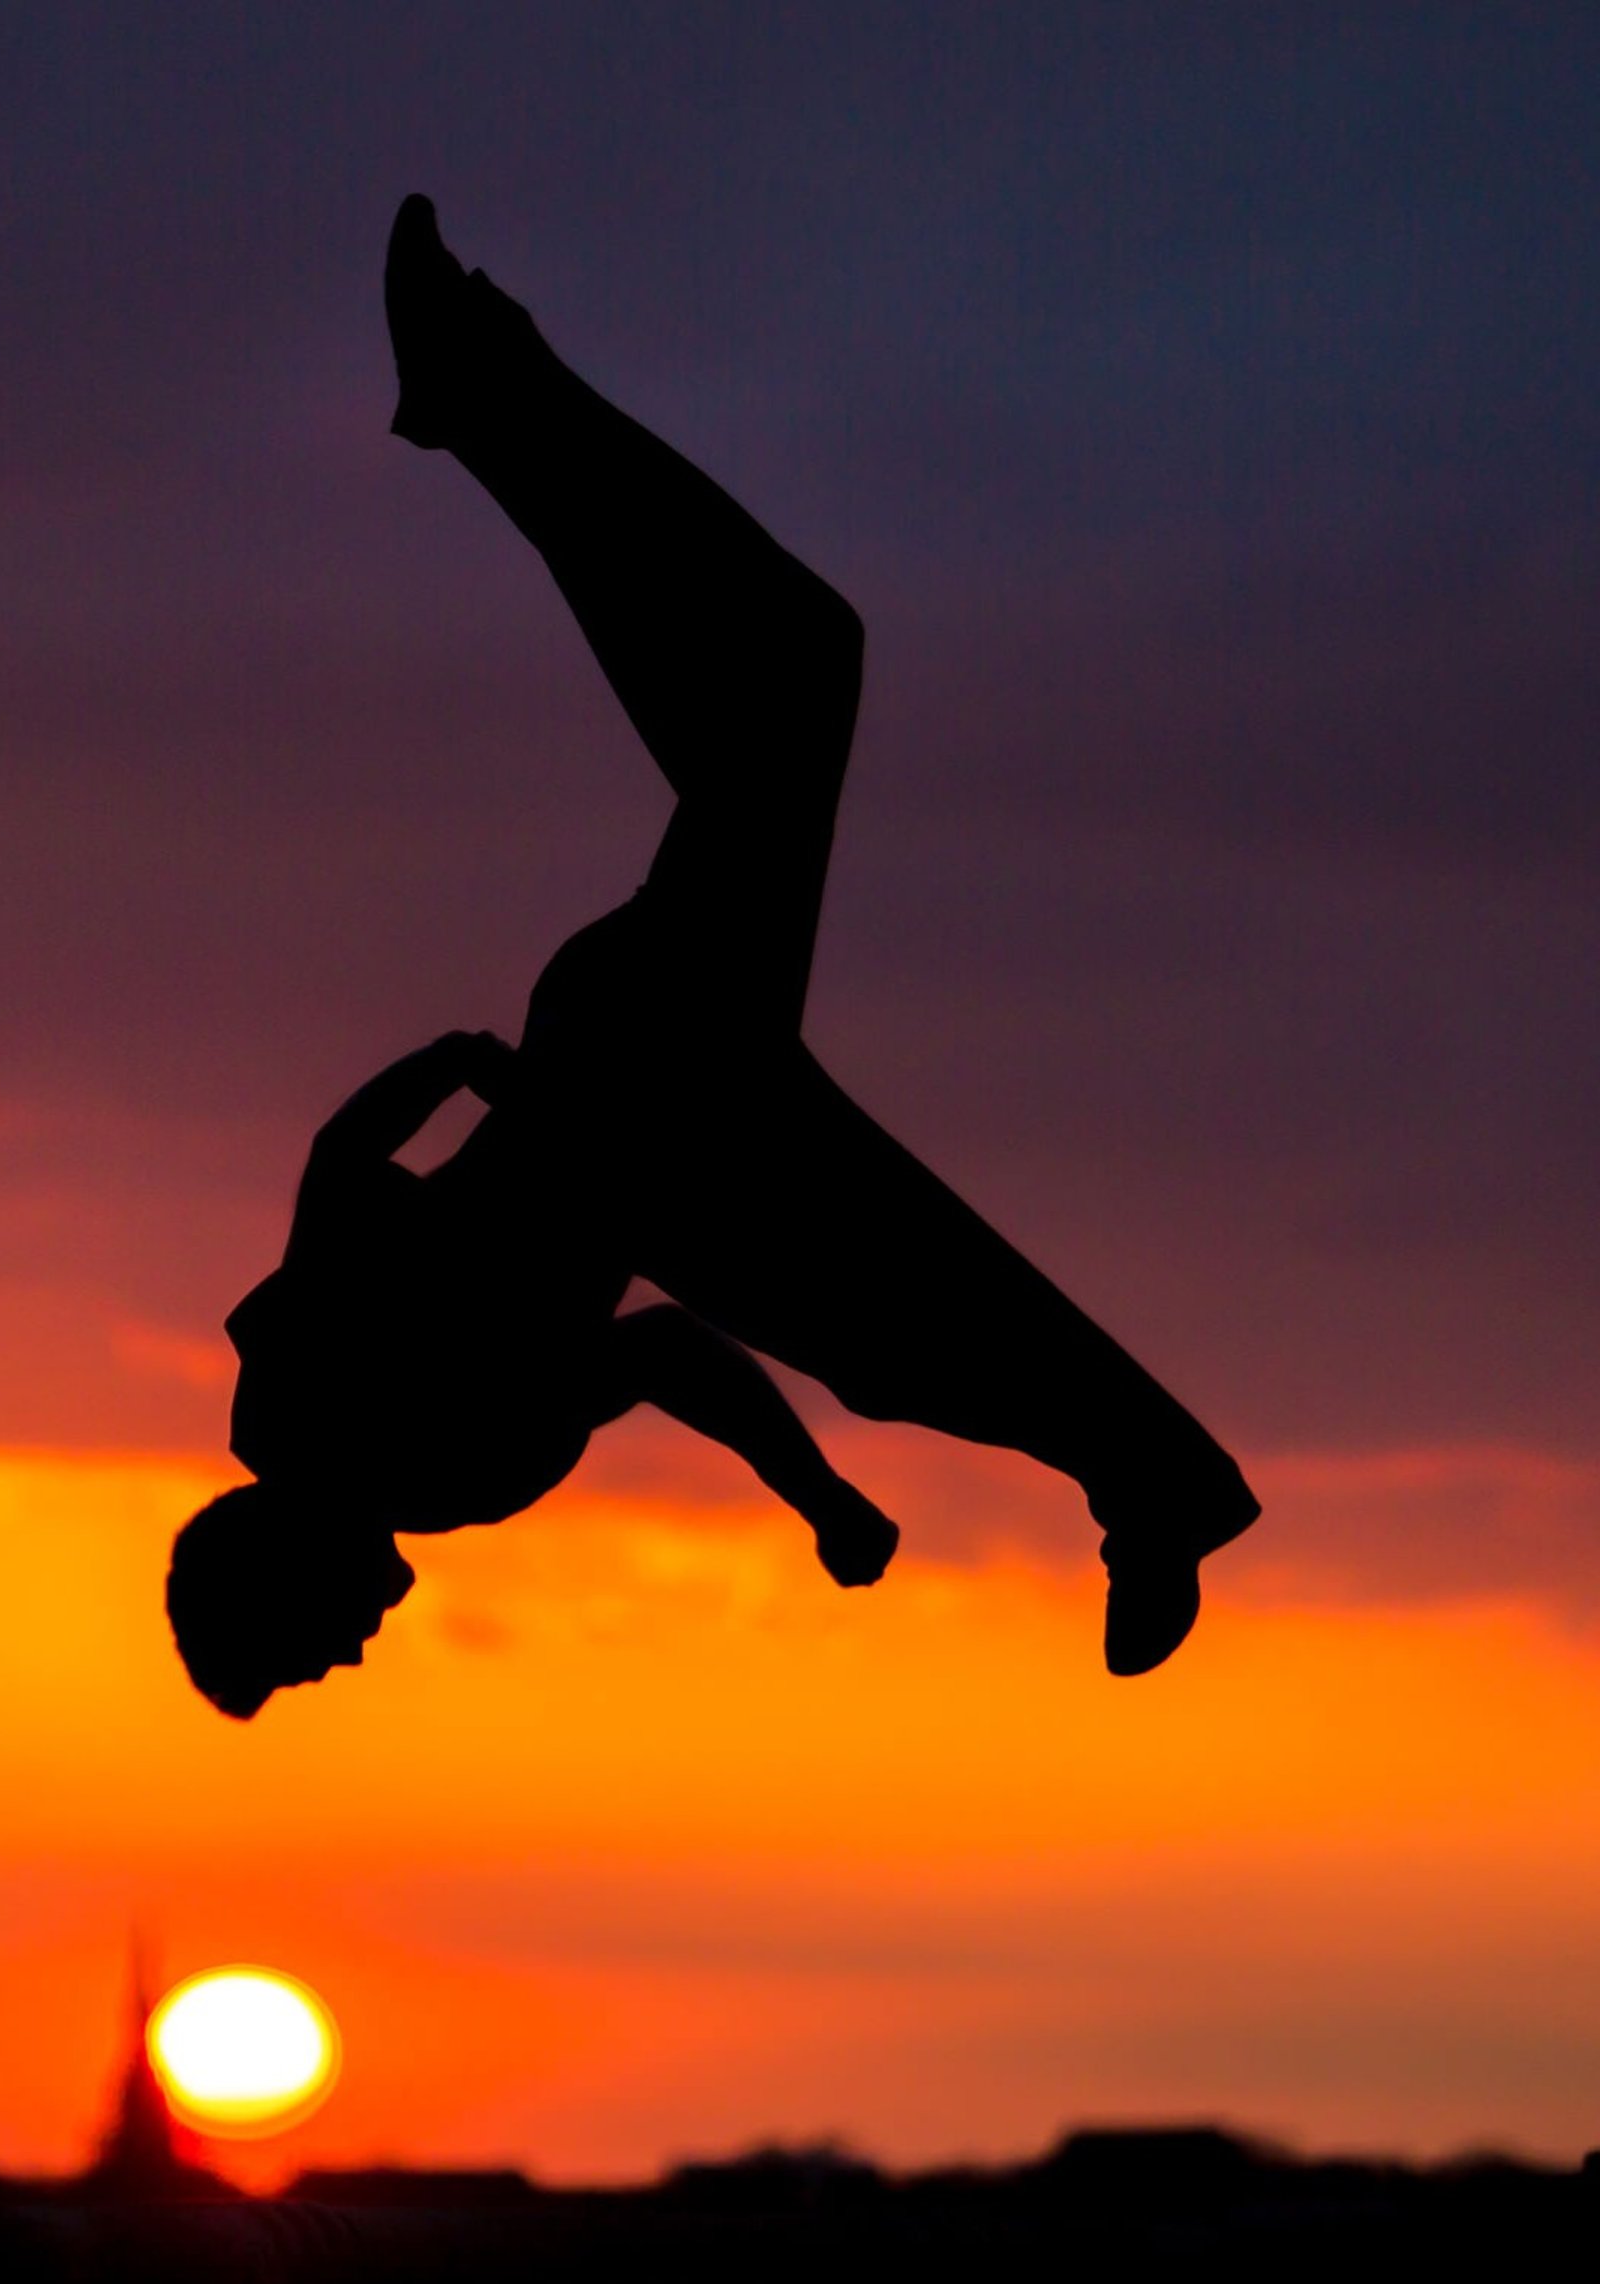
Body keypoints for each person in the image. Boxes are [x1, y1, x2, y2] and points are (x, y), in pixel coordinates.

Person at [166, 196, 1259, 1721]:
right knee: (897, 1313)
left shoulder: (299, 1406)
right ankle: (1158, 1490)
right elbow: (659, 1351)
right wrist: (811, 1494)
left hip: (632, 1066)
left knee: (801, 683)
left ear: (274, 1580)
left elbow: (342, 1167)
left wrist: (470, 1073)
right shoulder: (457, 1483)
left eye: (311, 1647)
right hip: (671, 1155)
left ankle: (486, 391)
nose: (352, 1649)